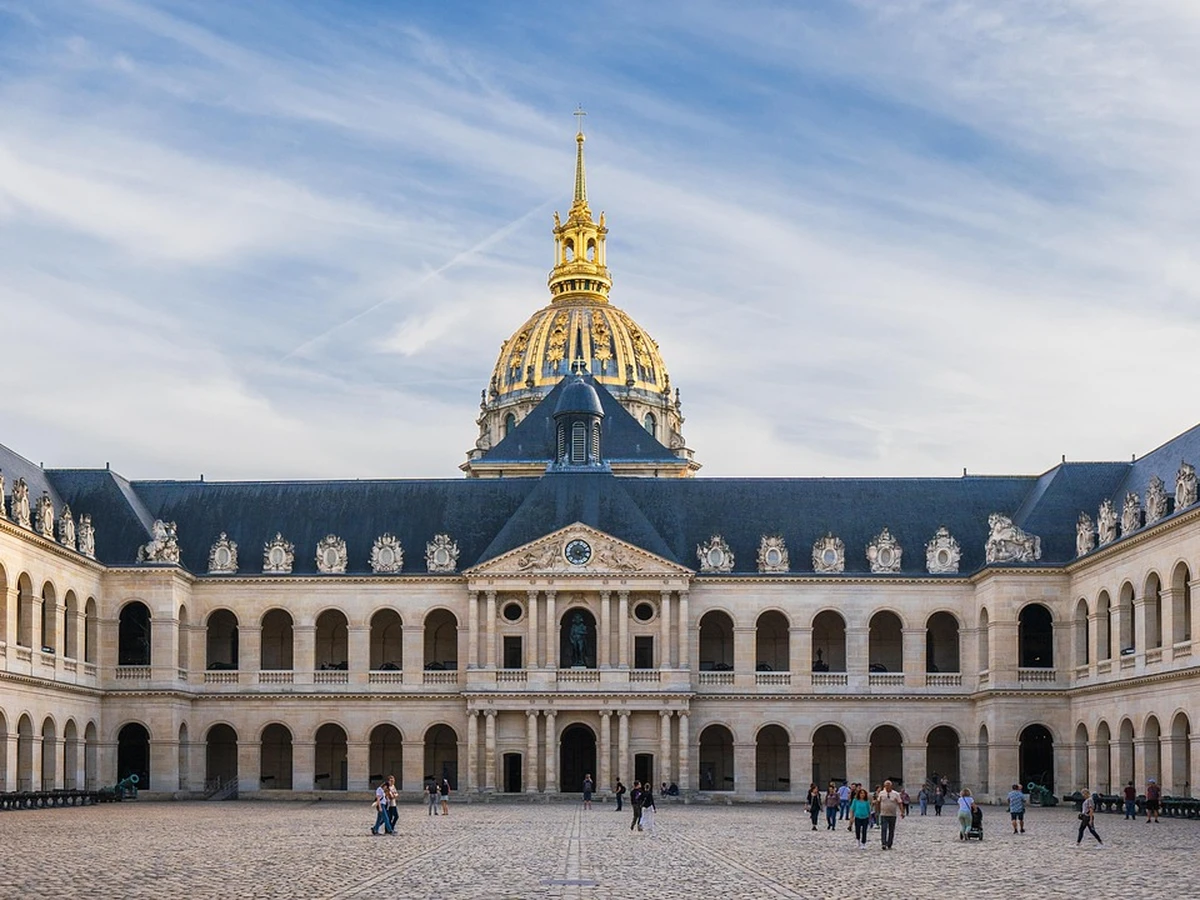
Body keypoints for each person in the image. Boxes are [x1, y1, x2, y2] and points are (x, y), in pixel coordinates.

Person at [877, 779, 903, 850]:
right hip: (883, 814)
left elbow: (900, 803)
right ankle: (883, 843)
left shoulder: (896, 794)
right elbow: (878, 802)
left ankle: (889, 843)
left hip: (892, 815)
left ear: (891, 786)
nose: (887, 787)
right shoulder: (881, 793)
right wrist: (878, 811)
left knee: (891, 830)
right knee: (884, 829)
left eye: (888, 785)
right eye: (886, 785)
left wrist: (902, 812)